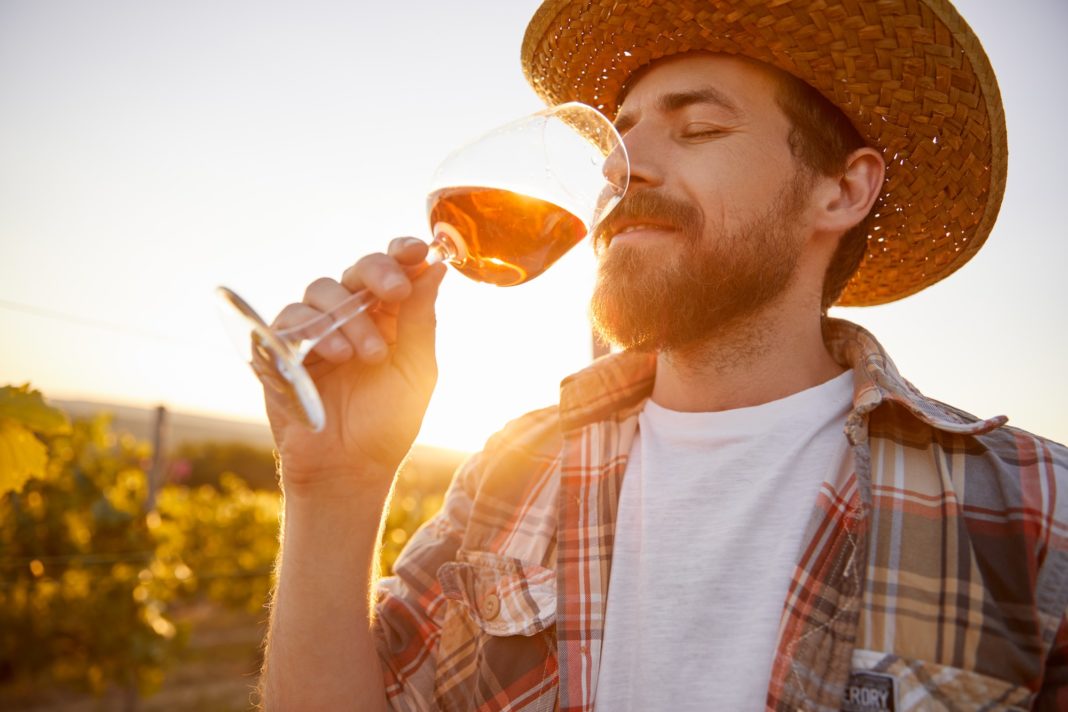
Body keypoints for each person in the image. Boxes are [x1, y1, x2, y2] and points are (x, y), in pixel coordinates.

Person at [256, 1, 1068, 710]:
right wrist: (335, 490)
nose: (620, 170)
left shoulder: (1033, 514)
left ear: (843, 191)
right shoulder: (511, 471)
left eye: (699, 128)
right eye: (618, 141)